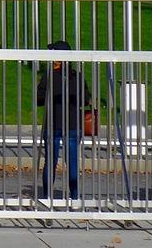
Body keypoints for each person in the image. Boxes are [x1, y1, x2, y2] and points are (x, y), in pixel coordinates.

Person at [35, 40, 90, 201]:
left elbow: (39, 99)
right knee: (72, 161)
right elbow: (85, 100)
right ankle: (74, 196)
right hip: (73, 124)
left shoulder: (49, 76)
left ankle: (46, 195)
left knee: (50, 162)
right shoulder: (77, 77)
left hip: (53, 123)